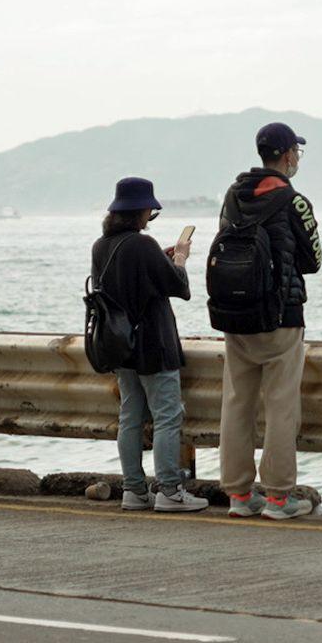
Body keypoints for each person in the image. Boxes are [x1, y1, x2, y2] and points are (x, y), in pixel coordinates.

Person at [208, 121, 322, 520]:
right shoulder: (295, 202)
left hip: (235, 316)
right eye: (297, 153)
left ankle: (239, 496)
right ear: (288, 155)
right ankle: (278, 497)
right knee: (280, 406)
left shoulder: (233, 196)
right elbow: (314, 261)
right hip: (281, 318)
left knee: (236, 404)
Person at [91, 177, 210, 513]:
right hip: (153, 343)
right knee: (167, 416)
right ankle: (170, 491)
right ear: (141, 211)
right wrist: (180, 257)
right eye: (148, 210)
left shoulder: (102, 246)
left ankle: (134, 490)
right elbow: (178, 285)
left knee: (130, 415)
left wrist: (160, 257)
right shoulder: (142, 246)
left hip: (120, 344)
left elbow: (125, 283)